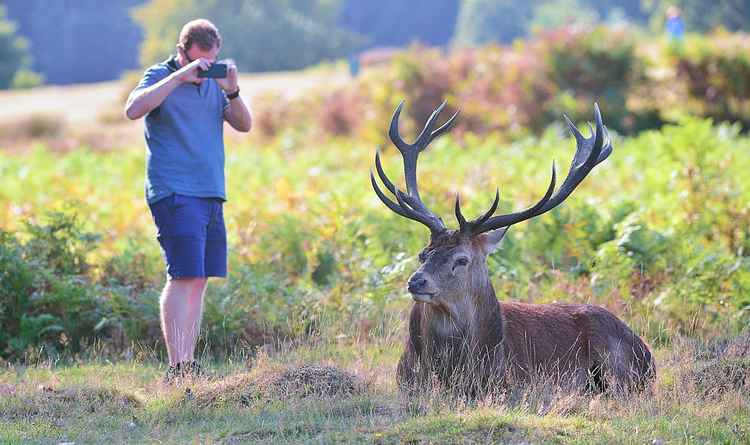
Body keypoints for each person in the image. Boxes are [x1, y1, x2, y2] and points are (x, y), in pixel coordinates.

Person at [125, 19, 252, 382]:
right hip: (174, 190)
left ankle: (188, 364)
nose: (203, 69)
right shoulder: (161, 75)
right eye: (197, 62)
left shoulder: (215, 84)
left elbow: (244, 124)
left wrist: (232, 89)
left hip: (210, 190)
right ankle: (176, 366)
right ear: (182, 52)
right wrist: (179, 78)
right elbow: (133, 109)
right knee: (182, 276)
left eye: (209, 62)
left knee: (199, 280)